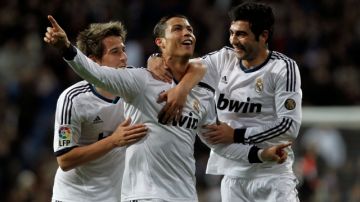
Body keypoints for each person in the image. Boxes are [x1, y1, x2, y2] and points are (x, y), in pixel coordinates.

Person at [44, 14, 291, 202]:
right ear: (160, 43)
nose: (187, 33)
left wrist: (259, 154)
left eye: (190, 29)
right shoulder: (137, 82)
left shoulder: (203, 95)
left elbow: (219, 145)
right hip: (129, 195)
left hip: (183, 195)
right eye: (178, 29)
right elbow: (94, 73)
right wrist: (66, 48)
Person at [148, 2, 302, 202]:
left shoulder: (283, 68)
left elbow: (289, 126)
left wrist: (237, 134)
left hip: (273, 177)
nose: (234, 41)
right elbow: (184, 65)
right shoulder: (222, 59)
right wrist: (156, 58)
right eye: (232, 33)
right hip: (232, 178)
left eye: (242, 34)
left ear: (263, 36)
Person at [50, 21, 149, 202]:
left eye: (123, 50)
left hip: (116, 196)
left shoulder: (136, 88)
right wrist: (114, 140)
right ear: (93, 62)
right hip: (74, 196)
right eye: (115, 52)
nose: (124, 57)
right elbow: (65, 160)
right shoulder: (72, 99)